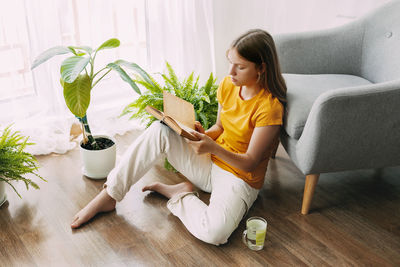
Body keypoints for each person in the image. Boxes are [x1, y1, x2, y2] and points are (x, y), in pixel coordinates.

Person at [71, 29, 287, 246]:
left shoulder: (269, 108)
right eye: (230, 62)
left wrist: (212, 148)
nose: (231, 71)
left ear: (261, 68)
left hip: (240, 179)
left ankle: (180, 195)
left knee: (215, 233)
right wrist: (202, 135)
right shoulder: (228, 85)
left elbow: (250, 162)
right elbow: (220, 126)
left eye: (240, 67)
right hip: (210, 164)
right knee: (160, 130)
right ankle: (109, 195)